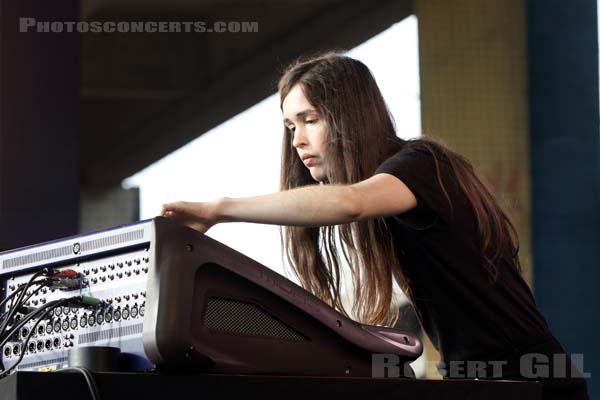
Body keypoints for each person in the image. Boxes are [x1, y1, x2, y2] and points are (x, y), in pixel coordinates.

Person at [160, 52, 588, 398]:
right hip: (482, 380)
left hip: (533, 381)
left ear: (349, 115)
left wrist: (219, 209)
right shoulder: (391, 195)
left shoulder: (422, 165)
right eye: (290, 126)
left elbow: (349, 202)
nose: (297, 140)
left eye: (311, 120)